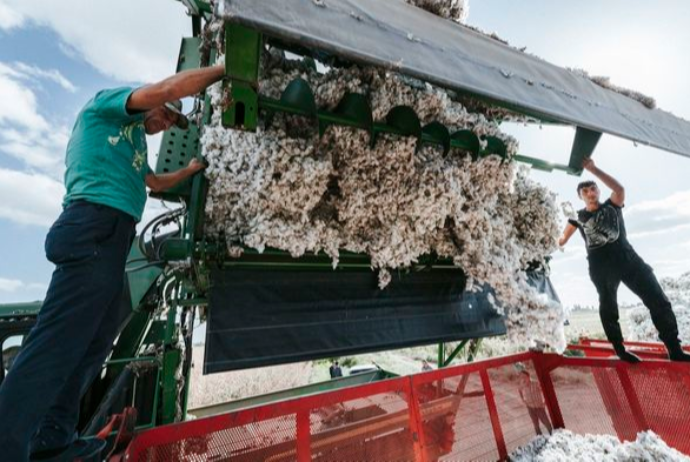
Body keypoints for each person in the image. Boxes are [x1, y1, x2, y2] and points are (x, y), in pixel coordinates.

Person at [0, 64, 226, 462]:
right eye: (166, 114)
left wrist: (191, 171)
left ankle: (54, 440)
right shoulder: (106, 107)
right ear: (152, 104)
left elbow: (153, 184)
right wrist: (225, 68)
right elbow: (169, 87)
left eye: (173, 120)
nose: (166, 124)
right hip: (91, 225)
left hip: (114, 238)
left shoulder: (135, 144)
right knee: (56, 344)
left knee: (92, 346)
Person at [559, 158, 690, 363]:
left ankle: (674, 348)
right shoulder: (577, 217)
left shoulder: (613, 205)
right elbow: (562, 239)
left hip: (627, 259)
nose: (590, 193)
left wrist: (593, 170)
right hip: (601, 267)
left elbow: (619, 188)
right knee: (609, 307)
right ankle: (620, 350)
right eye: (585, 192)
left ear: (598, 191)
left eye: (593, 189)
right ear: (580, 197)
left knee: (658, 299)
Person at [518, 371, 552, 435]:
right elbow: (519, 390)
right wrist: (522, 399)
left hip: (539, 406)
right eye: (521, 377)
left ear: (528, 376)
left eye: (524, 377)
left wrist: (545, 401)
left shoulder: (536, 383)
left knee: (546, 422)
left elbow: (545, 390)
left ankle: (552, 435)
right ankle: (539, 438)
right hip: (530, 407)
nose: (523, 379)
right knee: (535, 424)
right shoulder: (522, 384)